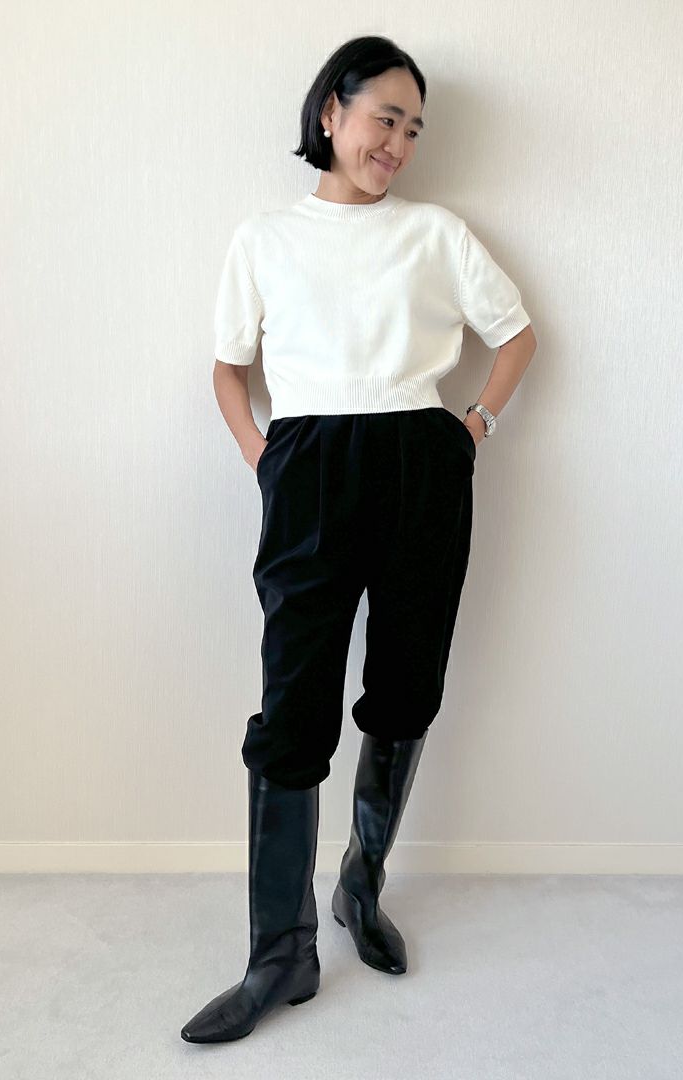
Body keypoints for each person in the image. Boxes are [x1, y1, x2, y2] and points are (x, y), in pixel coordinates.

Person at [181, 34, 538, 1044]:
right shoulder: (265, 237)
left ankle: (360, 884)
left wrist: (472, 427)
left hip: (422, 467)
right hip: (308, 470)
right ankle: (278, 952)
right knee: (294, 704)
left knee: (406, 684)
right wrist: (263, 455)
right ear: (331, 113)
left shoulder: (435, 233)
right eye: (386, 118)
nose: (399, 143)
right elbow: (228, 366)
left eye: (414, 129)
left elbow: (516, 335)